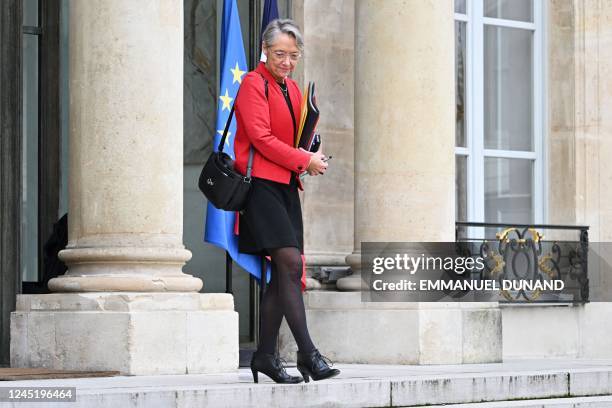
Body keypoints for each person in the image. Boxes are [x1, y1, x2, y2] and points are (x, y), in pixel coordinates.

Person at [233, 18, 340, 384]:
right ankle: (309, 354)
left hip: (286, 188)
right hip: (260, 187)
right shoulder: (252, 83)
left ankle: (264, 356)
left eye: (293, 56)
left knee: (284, 275)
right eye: (280, 54)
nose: (287, 62)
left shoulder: (293, 90)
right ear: (265, 50)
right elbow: (260, 139)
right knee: (290, 264)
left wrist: (312, 151)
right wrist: (302, 159)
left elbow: (295, 138)